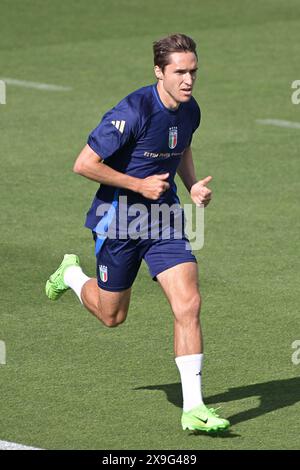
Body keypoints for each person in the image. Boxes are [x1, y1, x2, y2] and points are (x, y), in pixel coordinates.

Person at [45, 33, 230, 433]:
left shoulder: (189, 109)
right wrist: (138, 185)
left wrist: (193, 184)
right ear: (159, 72)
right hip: (120, 221)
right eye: (179, 72)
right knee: (113, 316)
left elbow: (179, 146)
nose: (188, 80)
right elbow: (83, 164)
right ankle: (72, 275)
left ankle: (194, 408)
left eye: (193, 71)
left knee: (189, 304)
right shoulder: (132, 111)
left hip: (163, 218)